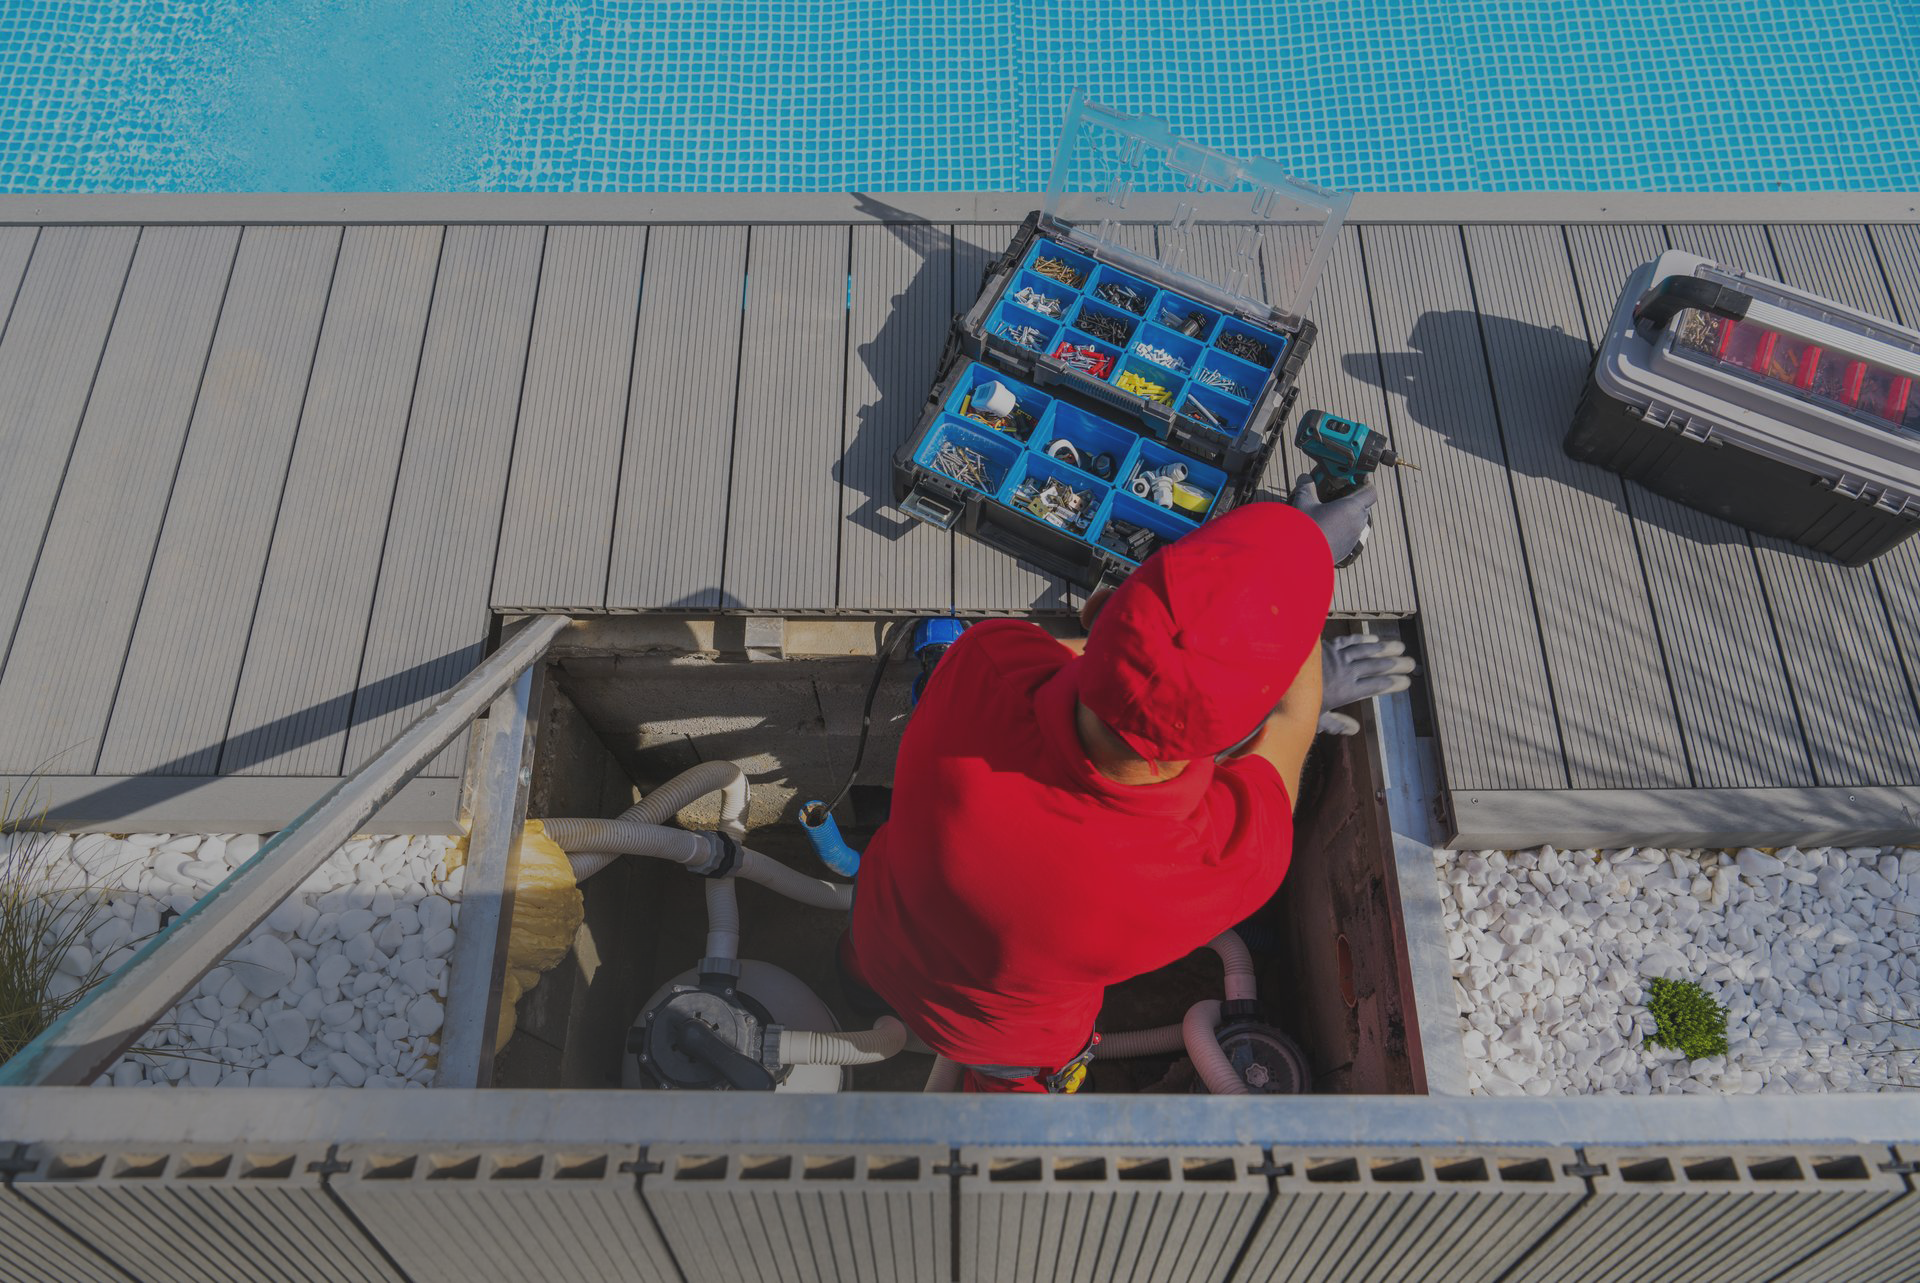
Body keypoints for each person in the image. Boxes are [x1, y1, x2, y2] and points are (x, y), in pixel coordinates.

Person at [840, 479, 1414, 1092]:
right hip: (1005, 1047)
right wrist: (1296, 576)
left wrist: (1288, 551)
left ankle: (847, 993)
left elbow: (1129, 671)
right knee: (1013, 1107)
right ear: (1246, 723)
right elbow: (1290, 726)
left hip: (878, 935)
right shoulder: (1218, 864)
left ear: (1096, 610)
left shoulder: (987, 662)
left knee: (865, 968)